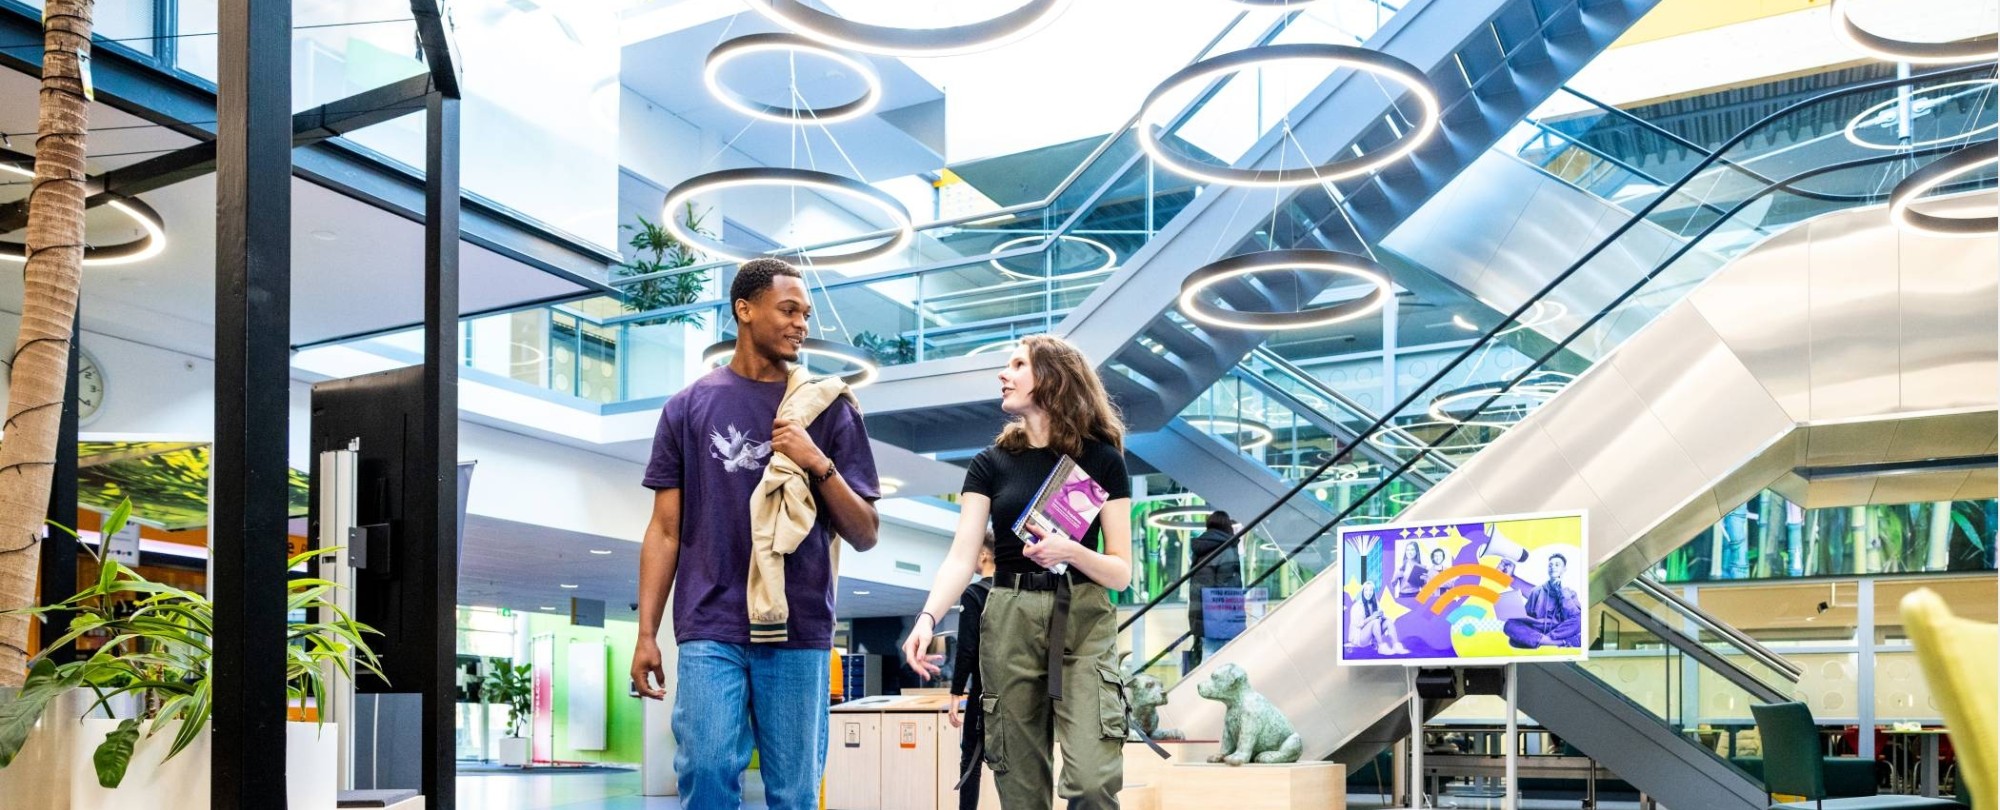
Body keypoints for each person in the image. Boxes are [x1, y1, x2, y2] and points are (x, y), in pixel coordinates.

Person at [629, 258, 882, 810]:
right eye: (788, 310)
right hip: (709, 622)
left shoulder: (828, 408)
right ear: (744, 310)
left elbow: (865, 532)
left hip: (798, 622)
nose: (801, 324)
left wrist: (818, 462)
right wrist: (647, 632)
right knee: (707, 770)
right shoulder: (688, 407)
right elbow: (665, 531)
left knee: (793, 792)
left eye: (806, 314)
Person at [900, 334, 1135, 810]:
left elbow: (1120, 573)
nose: (1003, 375)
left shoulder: (1103, 461)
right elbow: (963, 557)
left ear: (1051, 378)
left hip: (1083, 618)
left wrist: (1072, 550)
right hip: (1008, 618)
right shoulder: (991, 464)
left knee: (1092, 778)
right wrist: (927, 618)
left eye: (1017, 365)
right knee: (1021, 789)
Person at [947, 531, 997, 810]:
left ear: (984, 554)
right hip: (1016, 686)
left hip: (983, 690)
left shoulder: (975, 593)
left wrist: (956, 692)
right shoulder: (1013, 592)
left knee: (971, 762)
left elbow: (967, 648)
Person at [1185, 510, 1240, 667]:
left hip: (1201, 619)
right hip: (1220, 621)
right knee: (1223, 665)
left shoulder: (1200, 551)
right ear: (1228, 527)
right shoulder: (1226, 550)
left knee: (1208, 658)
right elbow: (1228, 590)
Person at [1504, 554, 1583, 649]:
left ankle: (1540, 641)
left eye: (1557, 565)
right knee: (1510, 624)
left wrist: (1561, 593)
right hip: (1537, 629)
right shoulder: (1539, 590)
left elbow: (1574, 616)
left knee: (1580, 620)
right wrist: (1509, 577)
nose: (1553, 567)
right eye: (1550, 565)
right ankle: (1559, 643)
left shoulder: (1569, 593)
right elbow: (1530, 594)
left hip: (1560, 630)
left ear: (1564, 569)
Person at [1346, 579, 1408, 655]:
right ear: (1362, 592)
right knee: (1375, 621)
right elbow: (1357, 624)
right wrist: (1372, 617)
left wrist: (1382, 616)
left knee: (1388, 621)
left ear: (1373, 592)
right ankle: (1381, 647)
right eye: (1366, 590)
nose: (1368, 593)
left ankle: (1396, 646)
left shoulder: (1375, 603)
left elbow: (1379, 618)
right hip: (1360, 638)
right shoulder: (1356, 606)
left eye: (1371, 590)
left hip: (1371, 637)